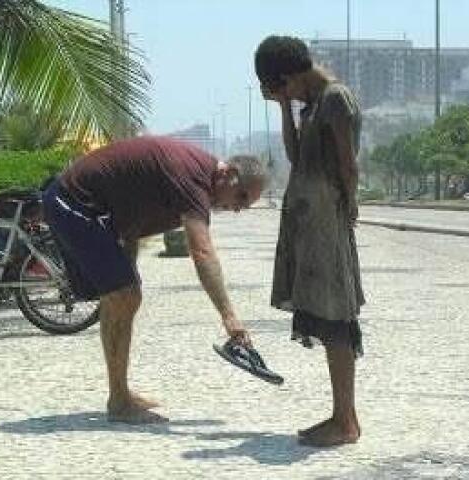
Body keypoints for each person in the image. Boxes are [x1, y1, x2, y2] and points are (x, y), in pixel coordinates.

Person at [41, 135, 266, 424]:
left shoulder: (197, 177)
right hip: (71, 201)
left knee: (124, 296)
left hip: (87, 208)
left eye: (245, 206)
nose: (238, 208)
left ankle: (119, 394)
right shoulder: (194, 180)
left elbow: (133, 217)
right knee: (124, 296)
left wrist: (127, 271)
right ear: (228, 175)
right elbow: (201, 251)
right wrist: (229, 317)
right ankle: (119, 400)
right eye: (242, 197)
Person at [255, 35, 365, 446]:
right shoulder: (312, 103)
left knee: (336, 317)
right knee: (324, 312)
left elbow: (348, 167)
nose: (284, 96)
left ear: (287, 76)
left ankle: (345, 422)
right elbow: (297, 158)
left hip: (327, 222)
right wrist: (286, 107)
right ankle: (343, 416)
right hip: (311, 221)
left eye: (280, 88)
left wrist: (348, 207)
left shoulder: (335, 99)